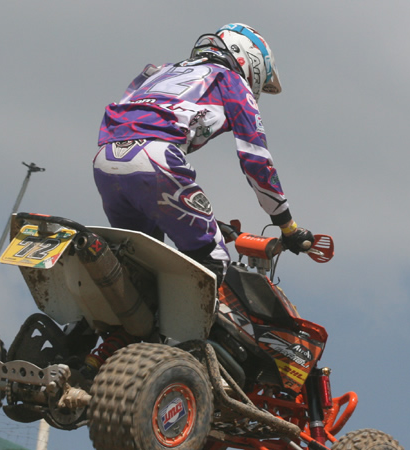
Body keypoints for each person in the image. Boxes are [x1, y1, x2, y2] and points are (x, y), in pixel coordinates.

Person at [93, 23, 315, 284]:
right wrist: (288, 226)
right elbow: (256, 161)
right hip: (157, 160)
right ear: (251, 61)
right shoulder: (231, 80)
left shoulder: (158, 71)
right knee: (213, 262)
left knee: (138, 265)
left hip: (106, 159)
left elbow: (128, 111)